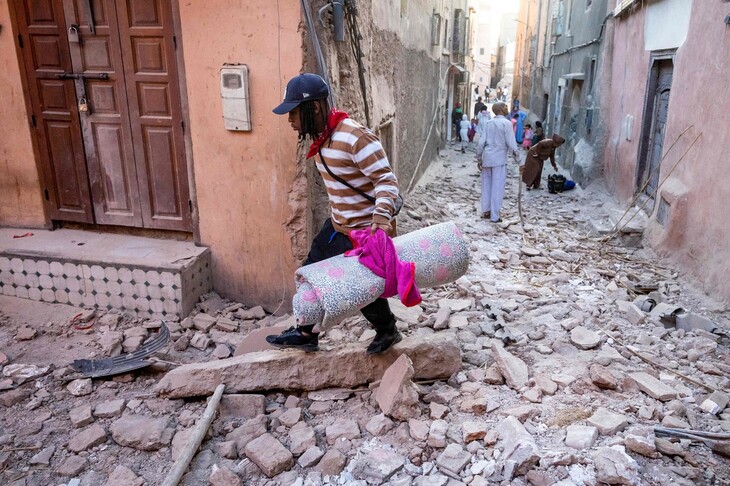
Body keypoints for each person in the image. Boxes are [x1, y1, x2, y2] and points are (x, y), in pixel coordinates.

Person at [267, 73, 401, 354]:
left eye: (293, 113)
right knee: (310, 272)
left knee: (362, 288)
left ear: (314, 107)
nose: (290, 121)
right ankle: (306, 333)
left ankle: (387, 331)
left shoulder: (355, 137)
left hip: (364, 232)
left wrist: (380, 219)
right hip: (337, 225)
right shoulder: (322, 139)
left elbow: (386, 181)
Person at [475, 102, 521, 223]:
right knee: (497, 187)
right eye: (505, 106)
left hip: (487, 158)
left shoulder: (488, 123)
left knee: (486, 186)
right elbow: (511, 144)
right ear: (501, 109)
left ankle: (486, 210)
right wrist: (520, 162)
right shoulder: (507, 124)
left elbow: (481, 143)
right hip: (499, 160)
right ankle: (494, 216)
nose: (507, 108)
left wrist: (479, 158)